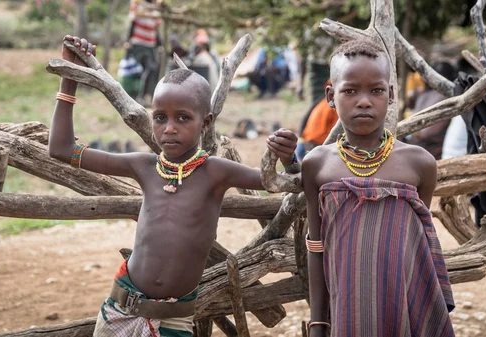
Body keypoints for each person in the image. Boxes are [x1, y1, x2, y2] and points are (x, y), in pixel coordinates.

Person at [49, 35, 298, 337]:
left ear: (205, 123)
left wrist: (287, 157)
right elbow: (62, 149)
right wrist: (70, 76)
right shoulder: (143, 166)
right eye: (160, 117)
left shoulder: (215, 172)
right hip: (119, 312)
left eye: (183, 118)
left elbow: (282, 183)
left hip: (174, 322)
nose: (169, 128)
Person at [301, 39, 455, 337]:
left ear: (391, 95)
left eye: (376, 90)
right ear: (331, 95)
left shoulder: (419, 164)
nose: (364, 101)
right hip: (348, 312)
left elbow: (416, 248)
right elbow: (316, 248)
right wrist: (318, 322)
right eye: (350, 90)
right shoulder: (316, 164)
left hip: (405, 309)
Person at [408, 61, 458, 159]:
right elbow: (426, 134)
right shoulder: (448, 98)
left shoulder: (422, 95)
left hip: (416, 147)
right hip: (431, 153)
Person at [125, 0, 162, 106]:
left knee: (152, 69)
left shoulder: (156, 9)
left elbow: (156, 30)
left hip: (151, 45)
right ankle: (140, 96)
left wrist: (159, 45)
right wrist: (128, 41)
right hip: (138, 44)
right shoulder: (138, 5)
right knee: (148, 68)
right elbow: (132, 23)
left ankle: (145, 96)